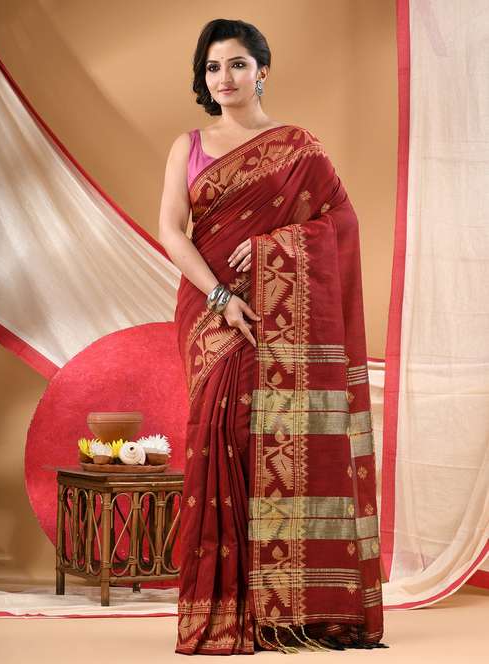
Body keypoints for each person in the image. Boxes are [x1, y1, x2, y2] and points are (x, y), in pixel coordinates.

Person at [158, 17, 388, 655]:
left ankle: (281, 609)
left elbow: (340, 223)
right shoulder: (188, 145)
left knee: (270, 439)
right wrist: (220, 295)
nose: (224, 78)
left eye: (236, 64)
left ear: (262, 70)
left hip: (276, 310)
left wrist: (273, 249)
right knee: (222, 438)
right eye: (212, 67)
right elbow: (172, 230)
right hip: (209, 309)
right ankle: (223, 608)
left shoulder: (298, 147)